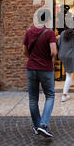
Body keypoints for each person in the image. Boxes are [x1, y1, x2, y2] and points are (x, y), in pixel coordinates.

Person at [23, 9, 57, 138]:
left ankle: (37, 125)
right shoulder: (50, 33)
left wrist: (33, 58)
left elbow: (25, 51)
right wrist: (47, 58)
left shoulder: (29, 32)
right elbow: (53, 52)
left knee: (33, 98)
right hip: (46, 69)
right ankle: (43, 124)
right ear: (48, 20)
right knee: (50, 95)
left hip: (31, 68)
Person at [57, 22, 74, 102]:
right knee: (69, 74)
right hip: (70, 55)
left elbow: (58, 43)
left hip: (61, 55)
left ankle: (68, 86)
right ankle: (64, 95)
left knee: (68, 72)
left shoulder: (63, 33)